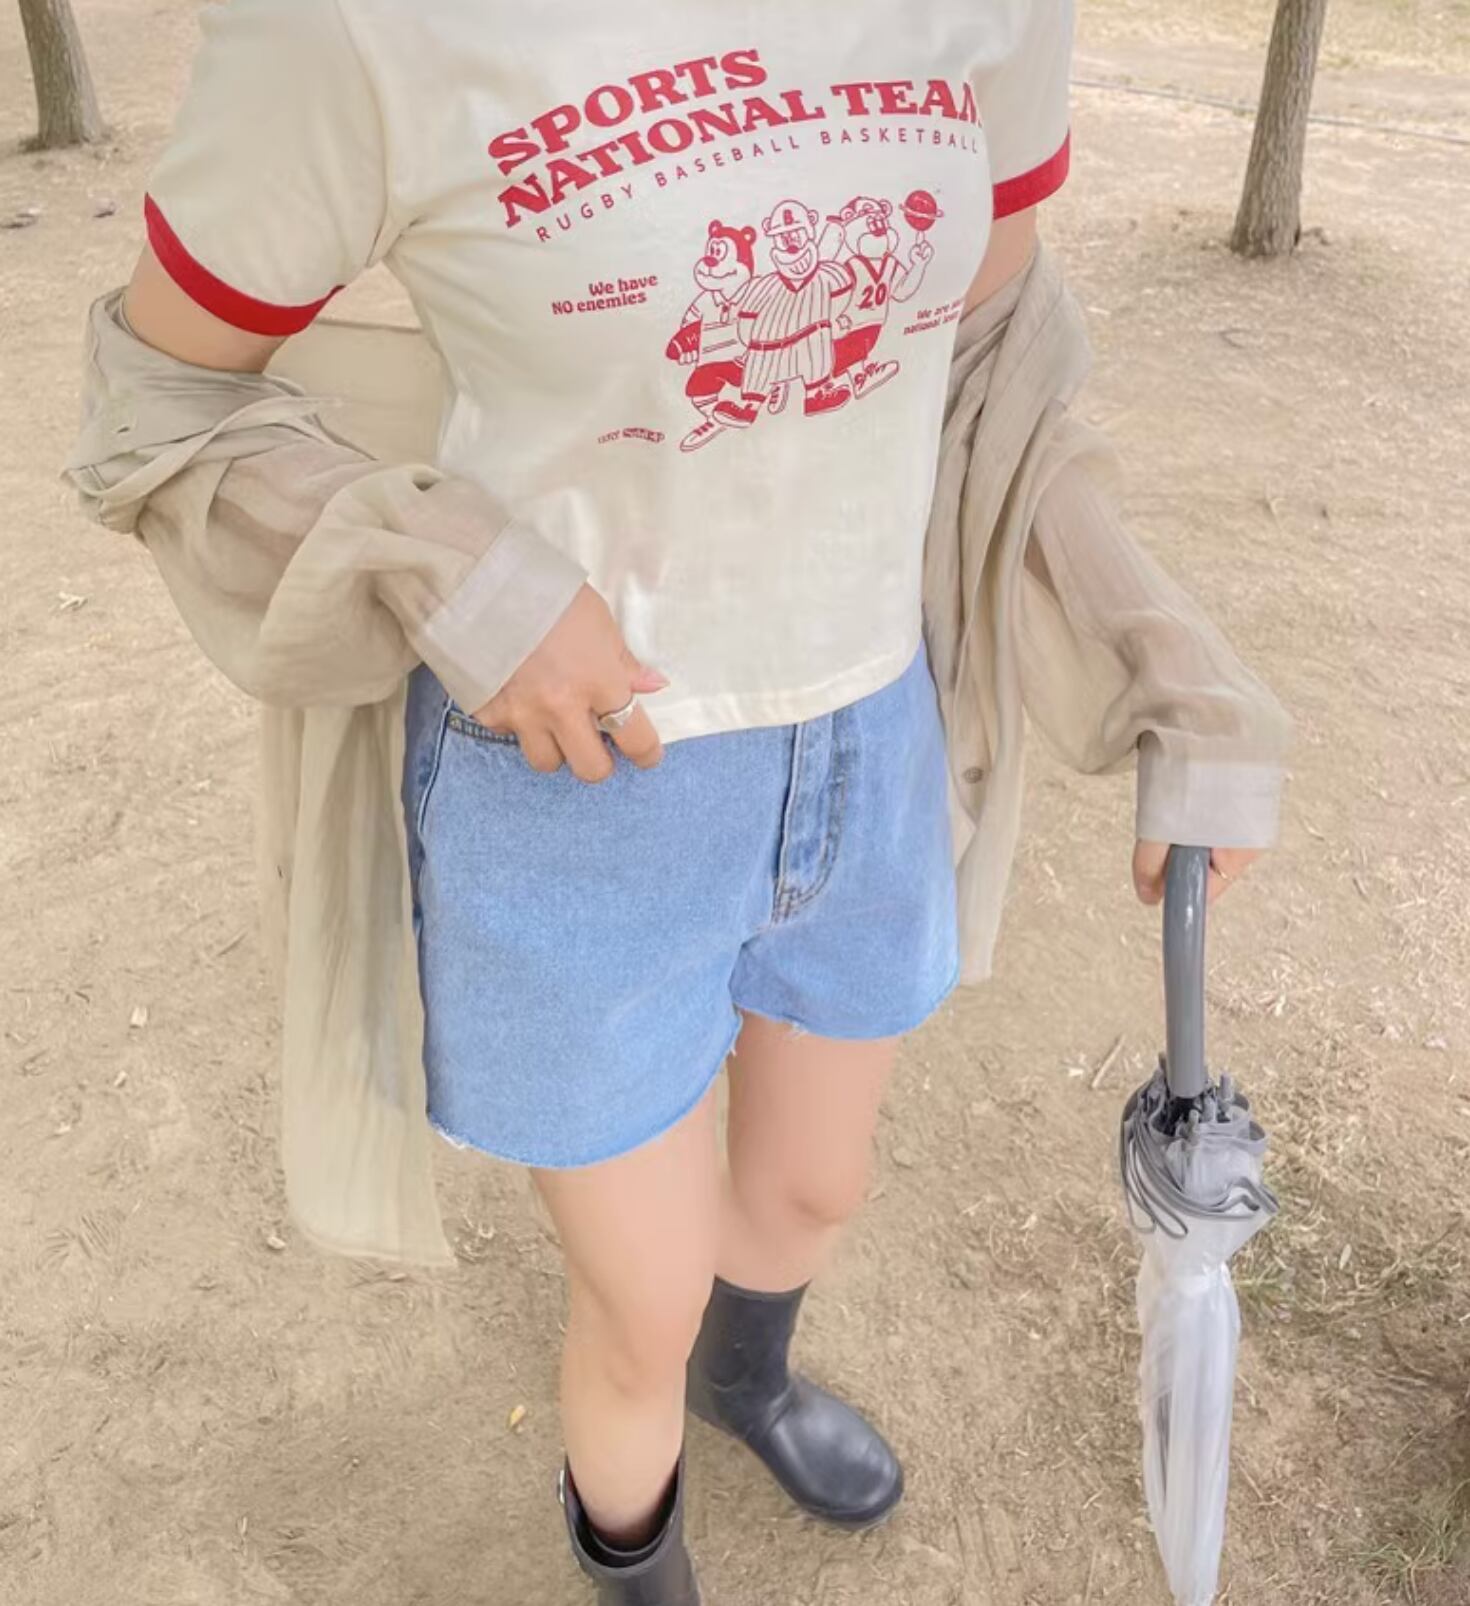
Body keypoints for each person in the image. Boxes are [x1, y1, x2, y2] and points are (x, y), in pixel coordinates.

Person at [87, 2, 1288, 1601]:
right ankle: (633, 1549)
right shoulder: (359, 29)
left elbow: (989, 370)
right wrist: (458, 573)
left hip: (870, 734)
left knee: (807, 1190)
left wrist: (1168, 665)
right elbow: (155, 398)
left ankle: (748, 1376)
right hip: (579, 785)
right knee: (637, 1301)